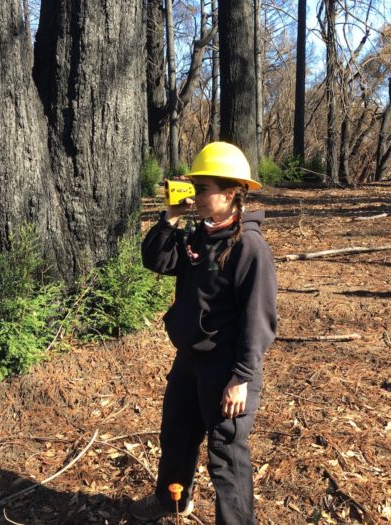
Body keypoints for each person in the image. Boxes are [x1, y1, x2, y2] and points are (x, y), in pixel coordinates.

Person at [129, 142, 278, 524]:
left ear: (230, 193)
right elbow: (157, 259)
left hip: (227, 367)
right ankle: (171, 503)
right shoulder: (200, 234)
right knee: (177, 436)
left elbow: (258, 320)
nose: (194, 194)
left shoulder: (249, 247)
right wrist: (170, 218)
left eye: (203, 188)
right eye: (192, 185)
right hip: (191, 360)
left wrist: (241, 378)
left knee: (226, 455)